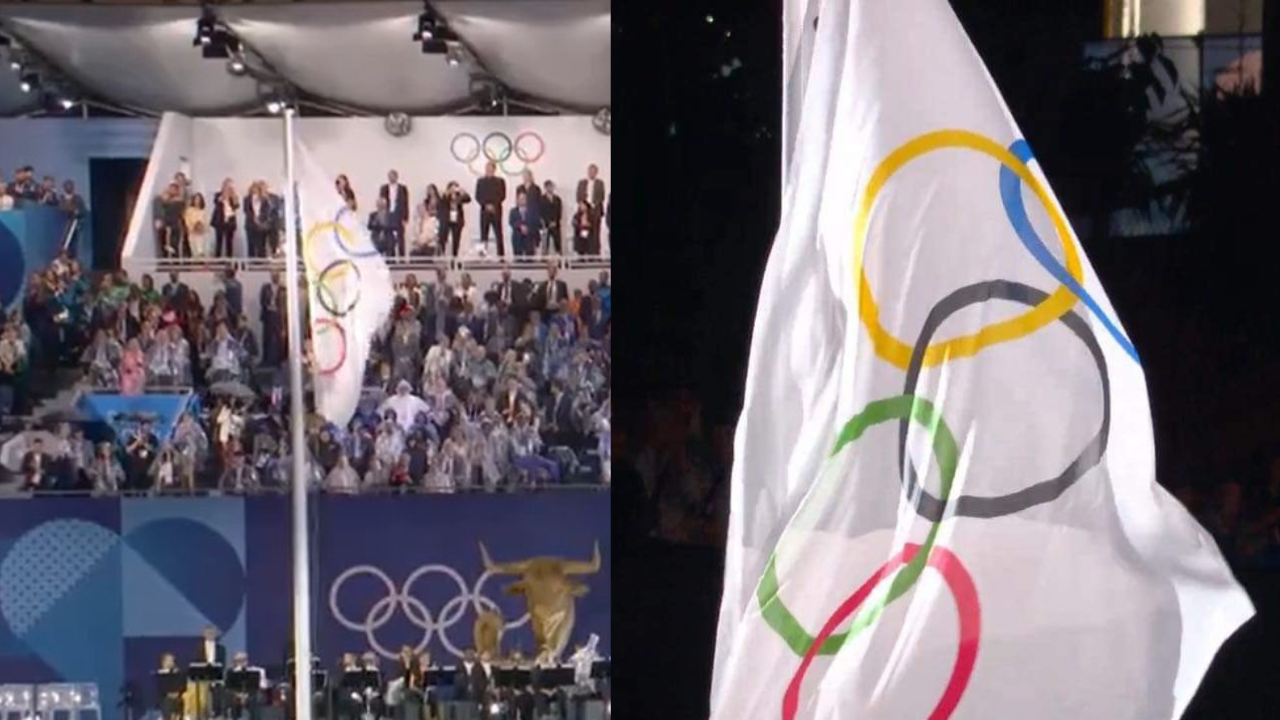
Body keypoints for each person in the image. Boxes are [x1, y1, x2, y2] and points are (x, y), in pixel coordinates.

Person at [474, 161, 507, 256]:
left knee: (499, 234)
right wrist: (486, 205)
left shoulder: (500, 181)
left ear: (494, 169)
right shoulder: (480, 181)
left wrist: (493, 205)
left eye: (490, 168)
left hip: (496, 210)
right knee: (483, 234)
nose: (489, 170)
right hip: (484, 211)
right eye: (487, 168)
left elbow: (502, 195)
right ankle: (482, 256)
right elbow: (478, 196)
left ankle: (501, 256)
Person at [379, 169, 410, 256]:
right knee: (389, 237)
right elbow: (381, 203)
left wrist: (405, 218)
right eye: (390, 176)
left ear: (397, 177)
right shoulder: (384, 188)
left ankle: (402, 257)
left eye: (393, 176)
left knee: (400, 237)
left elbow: (405, 203)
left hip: (399, 215)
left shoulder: (403, 189)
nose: (391, 178)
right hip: (388, 215)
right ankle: (390, 256)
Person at [576, 163, 606, 248]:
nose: (591, 173)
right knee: (584, 232)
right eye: (590, 171)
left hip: (595, 211)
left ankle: (595, 253)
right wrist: (582, 204)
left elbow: (601, 196)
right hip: (584, 212)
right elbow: (578, 196)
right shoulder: (582, 182)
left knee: (595, 234)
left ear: (596, 173)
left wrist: (593, 204)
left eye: (594, 171)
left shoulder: (600, 183)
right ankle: (583, 252)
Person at [154, 182, 186, 257]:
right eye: (170, 189)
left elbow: (174, 208)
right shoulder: (165, 200)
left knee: (174, 246)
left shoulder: (179, 202)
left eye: (173, 189)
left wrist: (166, 198)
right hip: (166, 226)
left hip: (175, 226)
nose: (171, 191)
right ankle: (166, 262)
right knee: (165, 246)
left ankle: (176, 264)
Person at [211, 178, 239, 258]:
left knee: (229, 242)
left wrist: (233, 197)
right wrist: (224, 195)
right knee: (219, 242)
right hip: (219, 221)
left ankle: (229, 261)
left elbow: (236, 206)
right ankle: (217, 260)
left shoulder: (234, 196)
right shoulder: (218, 194)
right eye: (227, 185)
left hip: (230, 222)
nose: (228, 188)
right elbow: (216, 202)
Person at [441, 181, 470, 256]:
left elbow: (468, 199)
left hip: (457, 221)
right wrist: (447, 194)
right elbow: (441, 203)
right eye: (452, 188)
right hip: (447, 221)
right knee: (445, 239)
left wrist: (462, 192)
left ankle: (455, 256)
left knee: (456, 241)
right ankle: (445, 255)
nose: (453, 190)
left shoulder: (459, 196)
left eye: (455, 187)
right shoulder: (446, 196)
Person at [244, 181, 271, 258]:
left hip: (261, 225)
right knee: (251, 245)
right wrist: (254, 218)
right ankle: (251, 263)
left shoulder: (264, 199)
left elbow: (267, 211)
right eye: (253, 188)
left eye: (257, 188)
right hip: (250, 225)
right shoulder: (247, 199)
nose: (255, 190)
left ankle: (261, 263)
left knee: (261, 245)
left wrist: (260, 219)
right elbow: (246, 210)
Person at [156, 653, 186, 720]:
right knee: (167, 702)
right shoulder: (159, 675)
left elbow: (183, 686)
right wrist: (169, 694)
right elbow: (159, 689)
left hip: (178, 698)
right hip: (165, 699)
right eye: (169, 660)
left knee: (180, 701)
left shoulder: (179, 674)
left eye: (172, 660)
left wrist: (178, 693)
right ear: (164, 662)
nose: (171, 662)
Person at [413, 184, 441, 256]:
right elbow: (417, 234)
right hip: (421, 241)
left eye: (431, 190)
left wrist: (424, 242)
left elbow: (433, 235)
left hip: (429, 242)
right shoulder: (420, 221)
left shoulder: (440, 201)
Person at [541, 180, 563, 256]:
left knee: (558, 244)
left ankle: (560, 261)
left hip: (556, 225)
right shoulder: (541, 199)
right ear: (545, 188)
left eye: (551, 186)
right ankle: (544, 262)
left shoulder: (558, 199)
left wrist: (555, 222)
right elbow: (541, 212)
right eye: (548, 187)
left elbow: (559, 212)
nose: (550, 188)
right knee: (545, 245)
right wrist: (547, 222)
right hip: (545, 226)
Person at [509, 192, 534, 257]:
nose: (522, 200)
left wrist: (527, 227)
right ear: (517, 200)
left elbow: (534, 222)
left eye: (524, 199)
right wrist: (520, 226)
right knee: (518, 258)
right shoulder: (513, 211)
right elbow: (511, 222)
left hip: (529, 237)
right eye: (520, 199)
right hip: (517, 237)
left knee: (530, 258)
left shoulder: (531, 211)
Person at [185, 193, 210, 258]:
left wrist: (202, 227)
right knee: (194, 252)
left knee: (203, 252)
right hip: (192, 233)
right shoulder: (189, 210)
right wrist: (193, 228)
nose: (197, 201)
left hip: (203, 233)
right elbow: (187, 220)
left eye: (199, 199)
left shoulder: (204, 211)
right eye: (196, 199)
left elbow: (207, 221)